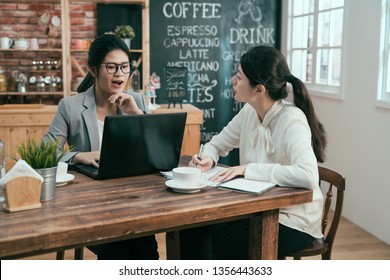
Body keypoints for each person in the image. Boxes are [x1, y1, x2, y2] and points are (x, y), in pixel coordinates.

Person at [180, 45, 327, 260]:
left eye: (239, 77)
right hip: (256, 209)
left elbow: (308, 175)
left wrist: (248, 169)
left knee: (212, 241)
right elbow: (217, 143)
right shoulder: (249, 111)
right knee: (191, 228)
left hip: (293, 221)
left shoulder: (291, 120)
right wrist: (208, 158)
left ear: (259, 89)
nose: (233, 81)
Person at [43, 34, 158, 260]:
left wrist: (136, 114)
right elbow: (45, 153)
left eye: (125, 67)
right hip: (90, 204)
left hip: (133, 200)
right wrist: (77, 156)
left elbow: (157, 149)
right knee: (119, 247)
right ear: (94, 70)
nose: (119, 74)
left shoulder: (137, 100)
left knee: (144, 245)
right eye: (112, 67)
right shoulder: (70, 106)